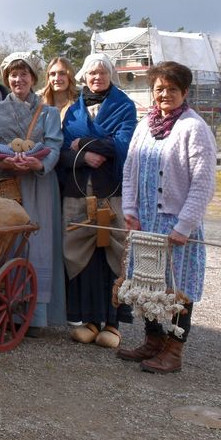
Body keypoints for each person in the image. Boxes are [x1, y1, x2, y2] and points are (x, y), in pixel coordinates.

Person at [117, 61, 216, 374]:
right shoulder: (144, 125)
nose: (165, 94)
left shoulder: (194, 128)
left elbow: (203, 182)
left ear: (184, 92)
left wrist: (184, 225)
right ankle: (153, 341)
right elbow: (130, 171)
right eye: (159, 88)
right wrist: (130, 211)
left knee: (178, 289)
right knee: (146, 284)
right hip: (145, 223)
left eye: (172, 89)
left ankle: (174, 351)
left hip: (176, 226)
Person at [0, 52, 65, 331]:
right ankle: (0, 310)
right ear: (7, 78)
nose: (19, 79)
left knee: (38, 244)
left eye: (24, 74)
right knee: (4, 244)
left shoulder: (49, 113)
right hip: (5, 183)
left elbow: (54, 144)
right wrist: (2, 161)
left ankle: (34, 315)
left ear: (33, 78)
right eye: (14, 75)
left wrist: (38, 162)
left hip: (38, 184)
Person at [59, 53, 137, 348]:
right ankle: (89, 320)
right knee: (83, 254)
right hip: (79, 192)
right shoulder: (74, 111)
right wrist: (83, 155)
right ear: (84, 76)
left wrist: (84, 143)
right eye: (92, 73)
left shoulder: (124, 106)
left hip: (110, 191)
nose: (97, 78)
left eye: (102, 73)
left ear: (111, 75)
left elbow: (123, 144)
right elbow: (63, 153)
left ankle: (113, 323)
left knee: (112, 254)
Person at [40, 56, 78, 122]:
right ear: (48, 78)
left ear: (70, 77)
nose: (57, 78)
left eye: (62, 73)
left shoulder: (81, 104)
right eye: (52, 74)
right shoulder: (38, 105)